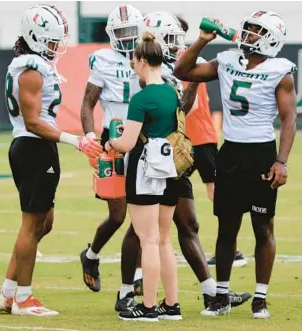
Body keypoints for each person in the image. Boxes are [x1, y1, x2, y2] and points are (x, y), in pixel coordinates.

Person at [115, 11, 251, 313]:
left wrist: (113, 142)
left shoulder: (160, 80)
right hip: (169, 158)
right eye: (172, 39)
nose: (177, 45)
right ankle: (133, 291)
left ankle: (174, 299)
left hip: (162, 161)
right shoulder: (159, 81)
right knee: (149, 234)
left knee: (160, 233)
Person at [174, 10, 297, 319]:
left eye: (256, 31)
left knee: (262, 227)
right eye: (249, 29)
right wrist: (202, 41)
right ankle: (222, 296)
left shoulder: (280, 70)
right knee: (227, 228)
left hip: (261, 154)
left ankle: (260, 298)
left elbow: (289, 119)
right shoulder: (228, 61)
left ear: (270, 37)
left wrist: (281, 161)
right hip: (230, 152)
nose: (249, 34)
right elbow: (183, 70)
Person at [0, 4, 102, 316]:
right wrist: (75, 140)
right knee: (31, 224)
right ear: (36, 37)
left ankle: (8, 292)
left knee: (44, 222)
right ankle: (23, 299)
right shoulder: (30, 70)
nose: (57, 47)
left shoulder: (35, 65)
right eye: (52, 41)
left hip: (38, 147)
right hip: (32, 146)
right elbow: (32, 122)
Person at [105, 31, 182, 322]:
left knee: (147, 240)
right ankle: (171, 305)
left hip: (146, 167)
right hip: (171, 167)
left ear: (140, 61)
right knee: (164, 240)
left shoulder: (141, 98)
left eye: (134, 60)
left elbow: (126, 143)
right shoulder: (172, 91)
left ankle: (148, 307)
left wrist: (111, 143)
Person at [79, 4, 143, 293]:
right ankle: (91, 256)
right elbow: (87, 103)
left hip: (142, 136)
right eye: (121, 32)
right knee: (118, 215)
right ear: (111, 34)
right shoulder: (103, 60)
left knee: (144, 210)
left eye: (131, 31)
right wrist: (90, 136)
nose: (128, 37)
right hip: (112, 138)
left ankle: (138, 275)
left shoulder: (148, 55)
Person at [176, 16, 247, 268]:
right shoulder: (185, 59)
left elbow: (191, 106)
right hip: (189, 137)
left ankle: (230, 247)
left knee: (216, 190)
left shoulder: (188, 60)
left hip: (199, 136)